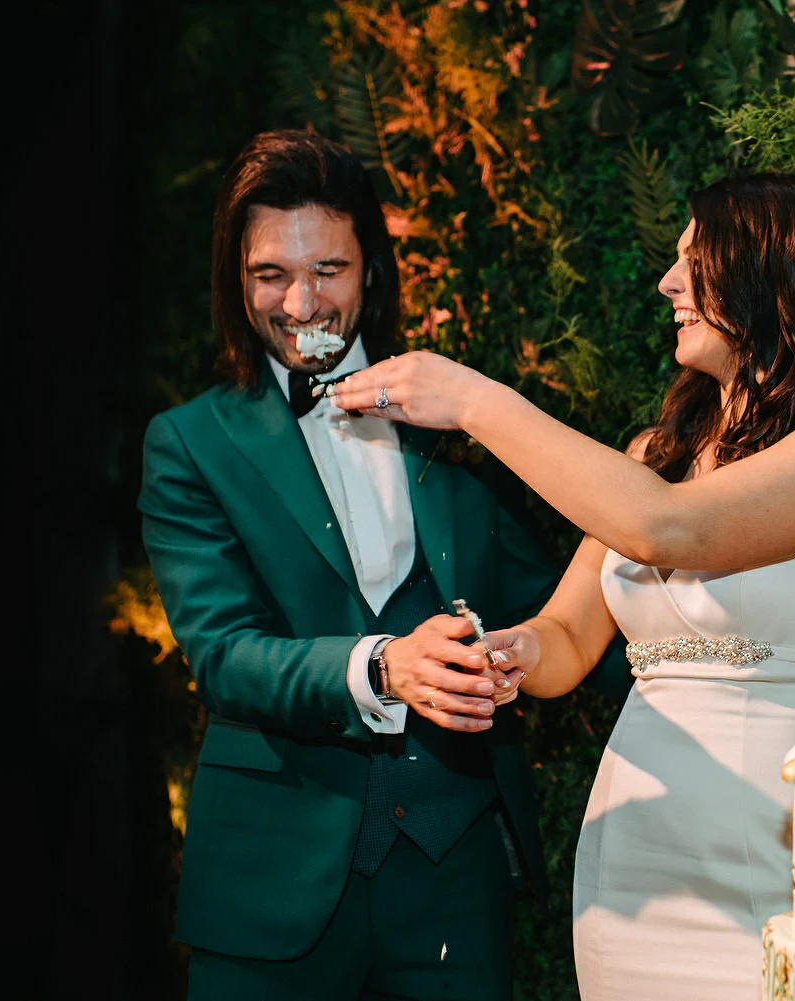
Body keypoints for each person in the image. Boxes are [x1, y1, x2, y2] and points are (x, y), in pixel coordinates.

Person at [330, 172, 795, 1000]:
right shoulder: (655, 455)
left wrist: (472, 400)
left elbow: (669, 529)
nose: (668, 283)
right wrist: (509, 652)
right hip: (636, 859)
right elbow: (570, 637)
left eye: (695, 261)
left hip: (788, 846)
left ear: (771, 274)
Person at [138, 128, 579, 1001]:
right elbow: (224, 655)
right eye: (271, 273)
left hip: (454, 882)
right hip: (271, 889)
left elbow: (554, 604)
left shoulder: (460, 415)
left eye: (328, 269)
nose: (302, 301)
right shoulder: (188, 443)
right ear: (237, 281)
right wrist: (381, 665)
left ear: (371, 269)